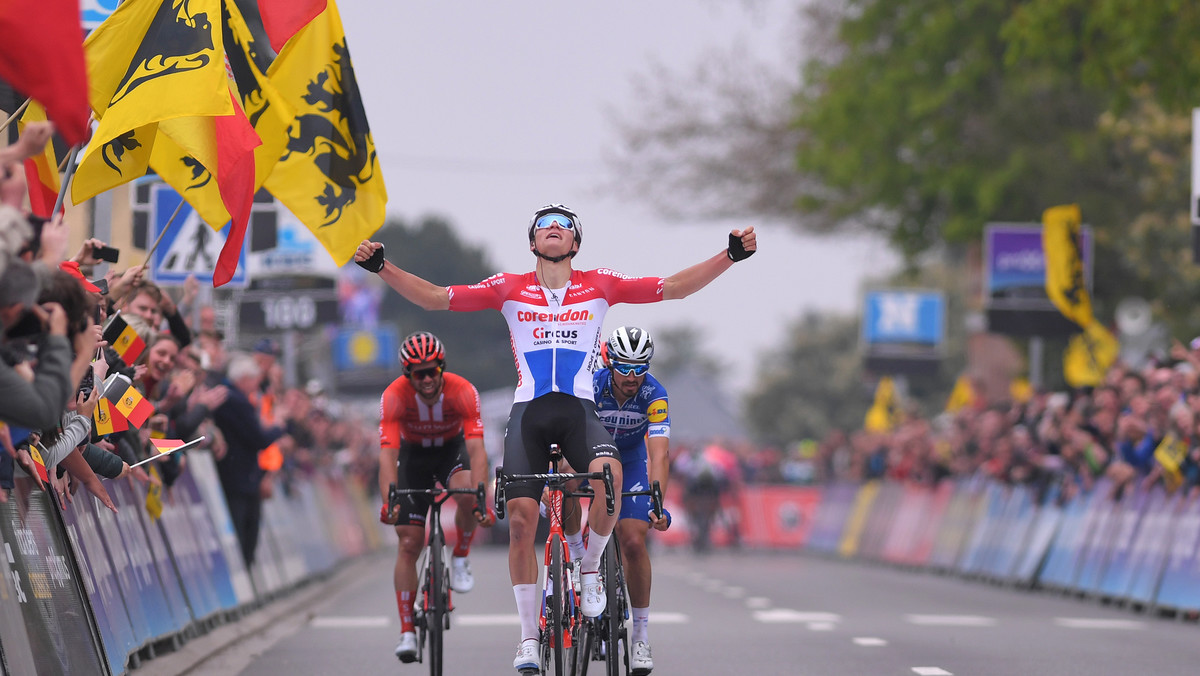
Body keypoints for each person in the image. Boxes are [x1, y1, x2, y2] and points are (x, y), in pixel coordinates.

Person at [354, 203, 756, 672]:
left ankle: (589, 568)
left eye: (563, 226)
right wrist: (382, 267)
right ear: (532, 242)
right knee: (523, 523)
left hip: (579, 412)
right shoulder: (508, 288)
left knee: (611, 476)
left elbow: (673, 288)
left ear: (575, 243)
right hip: (529, 414)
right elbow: (434, 298)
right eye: (544, 226)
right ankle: (528, 638)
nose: (553, 230)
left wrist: (727, 256)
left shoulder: (599, 284)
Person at [378, 331, 495, 662]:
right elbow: (387, 455)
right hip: (412, 458)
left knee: (469, 494)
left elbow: (477, 448)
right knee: (408, 543)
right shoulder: (394, 396)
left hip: (450, 452)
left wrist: (482, 494)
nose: (427, 379)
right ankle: (406, 631)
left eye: (432, 371)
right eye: (419, 373)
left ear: (441, 368)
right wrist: (389, 501)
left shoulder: (463, 391)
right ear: (407, 375)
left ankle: (459, 555)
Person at [579, 326, 673, 675]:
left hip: (632, 462)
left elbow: (659, 454)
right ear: (609, 362)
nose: (633, 376)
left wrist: (657, 502)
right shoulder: (590, 386)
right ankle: (579, 568)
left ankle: (640, 635)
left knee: (633, 540)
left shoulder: (655, 393)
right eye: (625, 367)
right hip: (589, 456)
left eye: (641, 367)